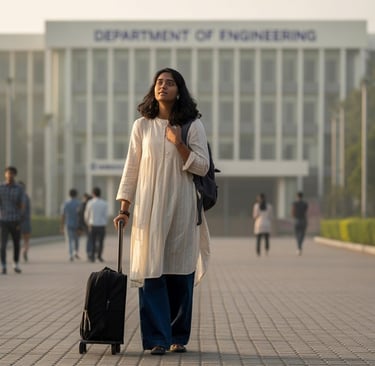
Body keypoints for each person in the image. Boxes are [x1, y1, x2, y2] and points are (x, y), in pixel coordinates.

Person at [113, 67, 211, 356]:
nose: (163, 86)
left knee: (180, 271)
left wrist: (178, 143)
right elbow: (131, 168)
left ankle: (177, 336)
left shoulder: (193, 126)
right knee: (151, 270)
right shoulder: (141, 126)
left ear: (179, 90)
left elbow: (202, 166)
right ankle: (157, 338)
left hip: (181, 207)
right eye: (159, 82)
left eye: (169, 83)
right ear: (153, 89)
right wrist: (124, 209)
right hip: (148, 208)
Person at [0, 166, 25, 274]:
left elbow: (22, 205)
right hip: (3, 220)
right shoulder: (1, 187)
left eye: (12, 173)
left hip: (15, 220)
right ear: (5, 174)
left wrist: (20, 217)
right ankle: (3, 265)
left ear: (15, 175)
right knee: (2, 244)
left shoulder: (19, 188)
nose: (10, 175)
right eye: (8, 173)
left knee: (16, 243)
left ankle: (15, 263)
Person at [84, 187, 108, 262]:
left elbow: (86, 214)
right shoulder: (104, 203)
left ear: (93, 193)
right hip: (101, 225)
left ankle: (92, 256)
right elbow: (105, 215)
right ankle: (99, 256)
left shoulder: (90, 203)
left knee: (93, 241)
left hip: (92, 225)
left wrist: (87, 223)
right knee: (101, 241)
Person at [60, 188, 81, 261]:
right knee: (76, 239)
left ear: (69, 194)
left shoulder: (66, 203)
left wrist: (62, 226)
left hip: (68, 223)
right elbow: (80, 215)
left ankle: (70, 254)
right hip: (76, 224)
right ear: (76, 194)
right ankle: (75, 251)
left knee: (69, 240)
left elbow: (63, 215)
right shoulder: (78, 203)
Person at [292, 191, 308, 255]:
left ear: (297, 196)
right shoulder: (305, 204)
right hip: (303, 220)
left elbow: (293, 211)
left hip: (297, 220)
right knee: (302, 234)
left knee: (297, 235)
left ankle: (299, 247)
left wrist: (294, 216)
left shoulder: (295, 203)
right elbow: (306, 211)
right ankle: (299, 246)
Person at [19, 181, 32, 262]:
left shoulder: (16, 196)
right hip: (26, 221)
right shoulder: (26, 197)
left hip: (16, 220)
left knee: (16, 238)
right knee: (26, 240)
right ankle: (25, 250)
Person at [77, 193, 92, 261]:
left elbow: (80, 216)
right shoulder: (90, 204)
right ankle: (90, 252)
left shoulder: (83, 205)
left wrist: (80, 226)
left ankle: (89, 252)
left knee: (90, 239)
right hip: (90, 224)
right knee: (91, 238)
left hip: (86, 224)